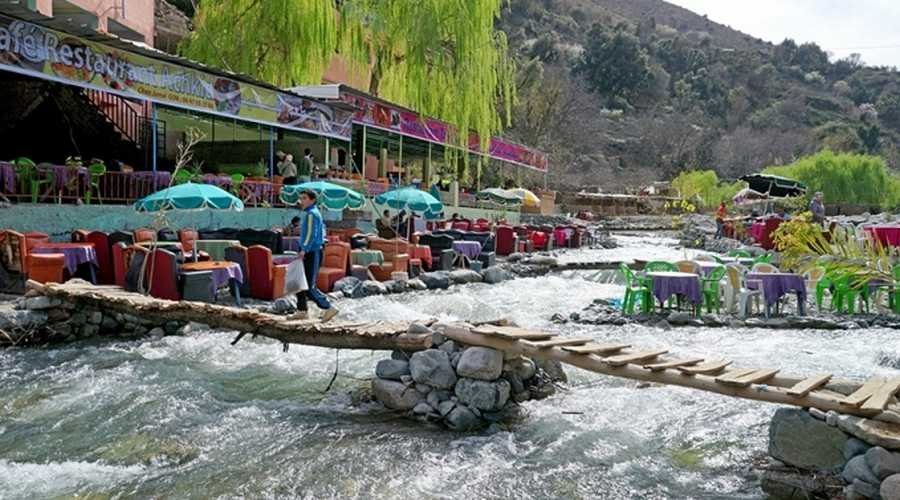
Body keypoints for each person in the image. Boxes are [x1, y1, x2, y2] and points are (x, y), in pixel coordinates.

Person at [291, 190, 338, 322]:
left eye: (304, 198)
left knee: (308, 286)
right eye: (301, 198)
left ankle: (328, 307)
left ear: (312, 200)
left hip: (311, 251)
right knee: (299, 282)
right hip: (310, 250)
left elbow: (311, 234)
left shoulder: (312, 214)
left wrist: (304, 250)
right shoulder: (311, 213)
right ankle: (302, 310)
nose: (301, 201)